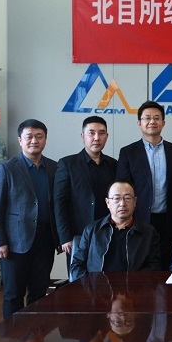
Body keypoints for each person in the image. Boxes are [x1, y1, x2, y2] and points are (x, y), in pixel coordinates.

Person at [0, 119, 58, 318]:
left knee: (39, 292)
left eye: (39, 136)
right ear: (20, 140)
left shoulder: (54, 168)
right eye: (29, 136)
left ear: (45, 140)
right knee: (13, 294)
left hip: (45, 241)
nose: (34, 140)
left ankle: (34, 333)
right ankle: (13, 335)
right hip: (14, 244)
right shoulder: (6, 169)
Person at [116, 101, 172, 270]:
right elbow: (123, 188)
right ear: (139, 123)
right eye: (147, 118)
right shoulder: (128, 152)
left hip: (167, 220)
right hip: (138, 220)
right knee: (139, 266)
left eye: (156, 118)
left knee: (165, 265)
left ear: (163, 122)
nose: (152, 121)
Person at [54, 116, 117, 272]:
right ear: (83, 136)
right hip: (78, 234)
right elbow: (60, 202)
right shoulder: (67, 164)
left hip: (108, 233)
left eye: (101, 133)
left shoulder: (113, 164)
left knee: (107, 277)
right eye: (91, 133)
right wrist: (65, 237)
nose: (96, 138)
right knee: (78, 279)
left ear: (107, 136)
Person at [70, 181, 161, 281]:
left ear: (135, 201)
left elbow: (154, 267)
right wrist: (90, 286)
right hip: (97, 289)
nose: (122, 204)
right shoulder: (92, 230)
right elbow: (77, 266)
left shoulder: (148, 232)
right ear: (107, 202)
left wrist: (132, 285)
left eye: (127, 198)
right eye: (116, 198)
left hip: (133, 289)